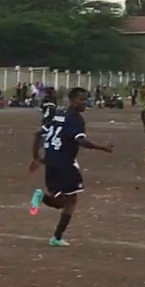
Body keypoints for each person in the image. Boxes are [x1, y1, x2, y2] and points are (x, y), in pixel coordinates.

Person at [29, 87, 112, 247]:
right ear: (72, 100)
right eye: (81, 100)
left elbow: (38, 134)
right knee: (71, 201)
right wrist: (102, 147)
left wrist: (36, 157)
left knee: (61, 201)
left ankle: (43, 199)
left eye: (86, 99)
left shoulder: (59, 114)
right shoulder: (76, 118)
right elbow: (80, 141)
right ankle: (56, 237)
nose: (84, 103)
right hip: (64, 163)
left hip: (52, 161)